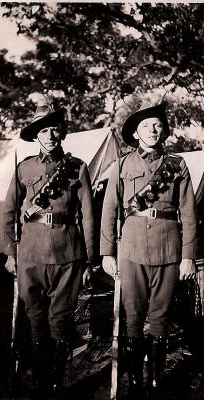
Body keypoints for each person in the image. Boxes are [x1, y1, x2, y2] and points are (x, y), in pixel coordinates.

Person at [100, 101, 198, 397]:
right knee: (132, 316)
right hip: (131, 250)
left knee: (160, 316)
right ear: (135, 133)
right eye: (146, 126)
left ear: (164, 130)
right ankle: (135, 383)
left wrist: (188, 256)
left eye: (157, 125)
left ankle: (155, 382)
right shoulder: (121, 164)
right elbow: (109, 210)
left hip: (169, 250)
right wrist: (107, 252)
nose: (152, 130)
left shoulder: (177, 165)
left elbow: (190, 213)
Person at [3, 95, 94, 396]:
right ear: (36, 136)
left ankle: (54, 382)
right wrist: (9, 252)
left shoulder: (77, 168)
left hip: (68, 253)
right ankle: (39, 381)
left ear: (62, 132)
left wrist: (89, 260)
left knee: (61, 319)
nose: (50, 135)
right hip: (30, 253)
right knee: (35, 318)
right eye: (43, 130)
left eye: (55, 129)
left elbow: (88, 216)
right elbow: (8, 211)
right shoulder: (24, 169)